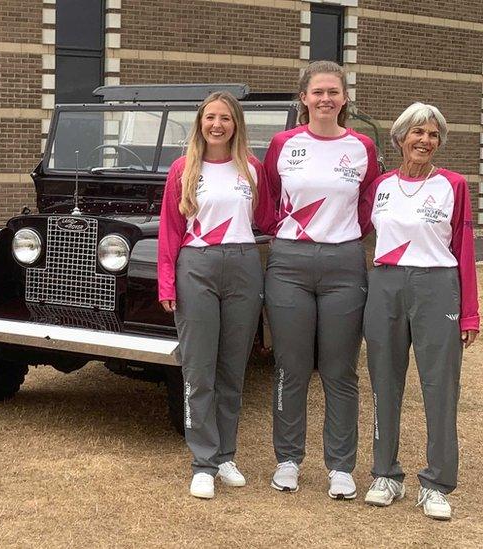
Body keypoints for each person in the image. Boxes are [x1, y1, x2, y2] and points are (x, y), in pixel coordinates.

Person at [262, 60, 380, 498]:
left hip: (345, 263)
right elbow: (269, 195)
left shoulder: (363, 146)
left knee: (339, 370)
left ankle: (341, 467)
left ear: (344, 98)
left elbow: (369, 201)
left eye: (334, 91)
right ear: (304, 98)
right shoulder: (283, 143)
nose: (325, 99)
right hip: (289, 263)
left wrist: (345, 235)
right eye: (318, 92)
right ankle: (288, 459)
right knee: (290, 368)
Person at [359, 103, 478, 520]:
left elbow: (463, 249)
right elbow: (352, 229)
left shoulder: (454, 184)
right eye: (417, 133)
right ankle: (386, 474)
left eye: (432, 134)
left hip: (436, 287)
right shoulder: (380, 186)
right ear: (400, 139)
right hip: (387, 284)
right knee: (384, 383)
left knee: (439, 388)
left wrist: (469, 313)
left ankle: (437, 483)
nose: (425, 140)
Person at [158, 91, 273, 499]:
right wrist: (167, 282)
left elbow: (268, 218)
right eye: (211, 117)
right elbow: (171, 230)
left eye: (225, 117)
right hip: (197, 267)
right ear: (201, 123)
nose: (218, 124)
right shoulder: (183, 169)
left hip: (243, 266)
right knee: (199, 369)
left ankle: (226, 455)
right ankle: (202, 461)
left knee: (231, 369)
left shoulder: (252, 169)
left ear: (236, 124)